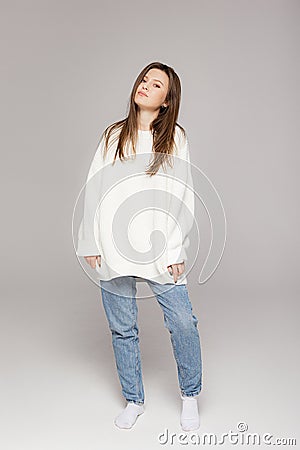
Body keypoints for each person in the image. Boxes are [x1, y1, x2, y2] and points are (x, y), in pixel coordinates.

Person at [76, 61, 203, 431]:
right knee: (122, 327)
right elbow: (94, 188)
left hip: (159, 247)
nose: (146, 86)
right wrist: (89, 238)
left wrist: (176, 248)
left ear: (167, 100)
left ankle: (190, 395)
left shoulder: (175, 137)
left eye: (156, 84)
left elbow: (183, 194)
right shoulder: (113, 135)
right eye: (144, 79)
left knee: (183, 322)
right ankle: (134, 399)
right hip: (113, 246)